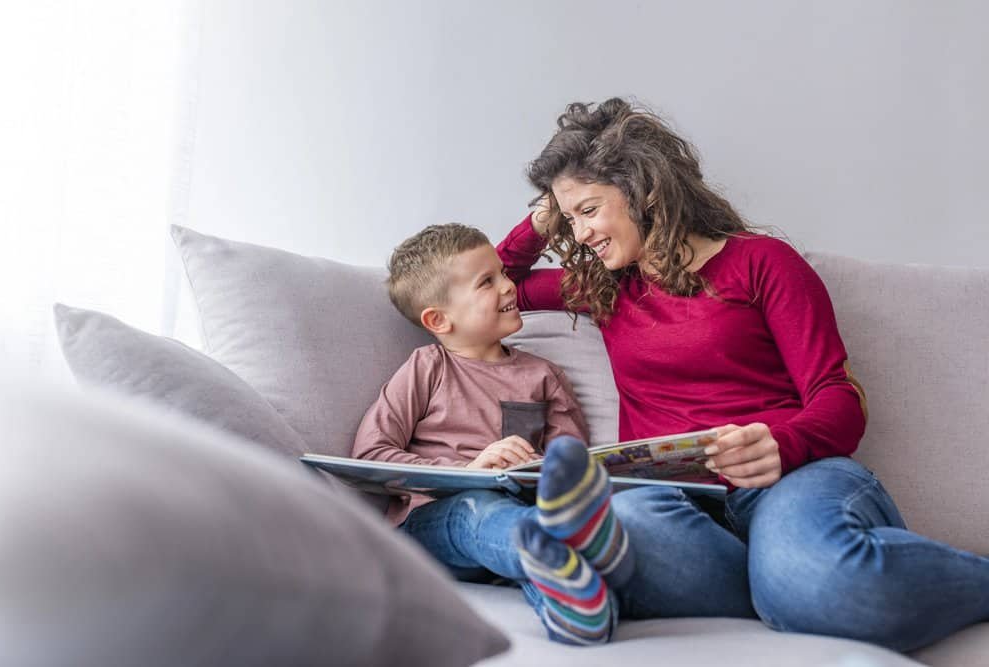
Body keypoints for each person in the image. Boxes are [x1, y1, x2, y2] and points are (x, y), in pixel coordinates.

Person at [496, 97, 989, 653]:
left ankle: (795, 581)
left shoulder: (762, 263)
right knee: (624, 515)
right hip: (675, 502)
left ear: (645, 190)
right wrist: (542, 219)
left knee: (816, 582)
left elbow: (840, 398)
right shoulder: (606, 289)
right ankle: (771, 584)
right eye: (570, 218)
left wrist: (780, 443)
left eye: (588, 210)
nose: (580, 233)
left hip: (790, 480)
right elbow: (497, 290)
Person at [351, 223, 640, 645]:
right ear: (438, 319)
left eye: (503, 273)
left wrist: (540, 474)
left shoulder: (542, 376)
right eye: (488, 281)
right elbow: (370, 455)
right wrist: (467, 469)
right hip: (435, 521)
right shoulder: (427, 367)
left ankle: (583, 611)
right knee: (477, 511)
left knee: (534, 525)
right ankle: (562, 556)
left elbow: (570, 466)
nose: (509, 287)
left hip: (521, 515)